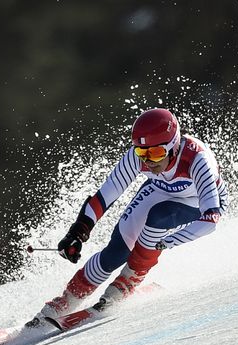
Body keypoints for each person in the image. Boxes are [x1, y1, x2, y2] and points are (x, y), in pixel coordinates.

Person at [32, 108, 227, 323]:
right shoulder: (139, 157)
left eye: (155, 154)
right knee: (116, 251)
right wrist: (78, 232)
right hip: (160, 189)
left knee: (159, 217)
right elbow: (104, 196)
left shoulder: (197, 159)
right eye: (142, 153)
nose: (149, 162)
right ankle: (68, 297)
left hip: (196, 201)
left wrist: (168, 242)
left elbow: (210, 220)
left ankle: (128, 280)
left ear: (173, 146)